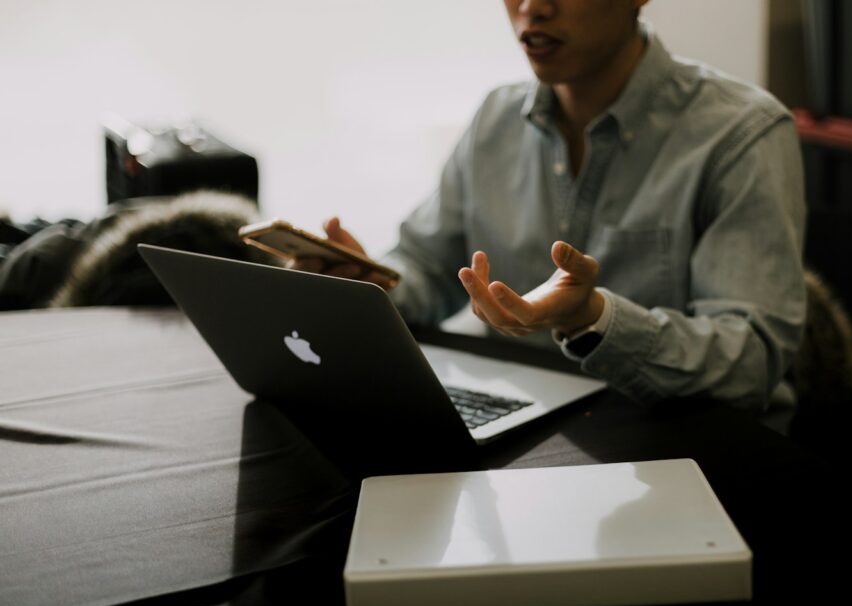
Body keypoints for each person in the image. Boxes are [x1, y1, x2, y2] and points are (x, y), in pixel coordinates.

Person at [297, 0, 806, 432]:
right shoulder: (496, 118)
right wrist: (370, 283)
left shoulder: (740, 133)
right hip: (527, 422)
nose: (531, 8)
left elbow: (751, 362)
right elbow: (427, 265)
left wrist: (596, 319)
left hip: (685, 442)